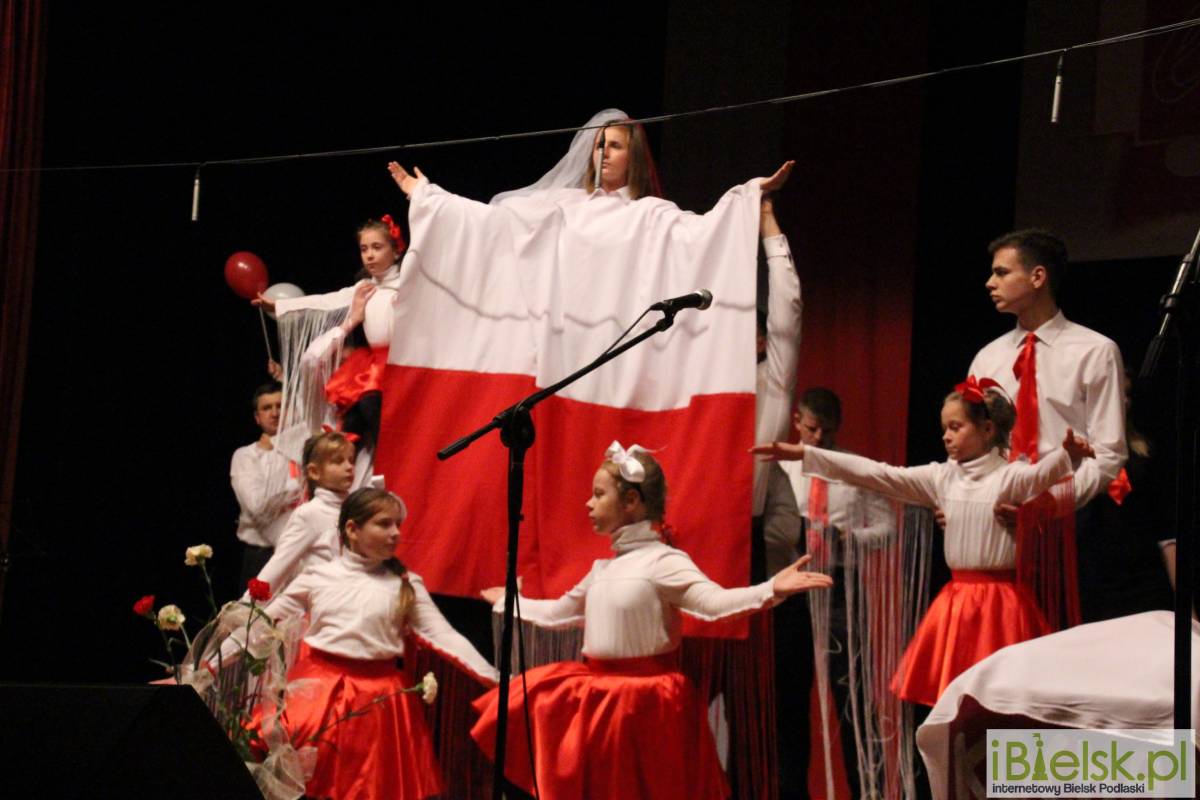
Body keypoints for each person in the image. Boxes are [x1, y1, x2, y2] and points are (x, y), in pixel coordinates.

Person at [470, 442, 833, 799]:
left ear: (631, 501)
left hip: (646, 705)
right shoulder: (602, 569)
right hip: (600, 702)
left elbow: (713, 604)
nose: (589, 503)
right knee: (530, 701)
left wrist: (771, 589)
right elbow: (558, 613)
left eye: (599, 494)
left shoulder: (663, 562)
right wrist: (509, 602)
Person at [754, 377, 1095, 705]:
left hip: (1000, 605)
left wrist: (1068, 456)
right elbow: (879, 473)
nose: (946, 436)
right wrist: (806, 455)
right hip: (958, 604)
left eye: (955, 427)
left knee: (1002, 699)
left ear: (987, 430)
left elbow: (1040, 475)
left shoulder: (1008, 477)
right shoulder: (941, 477)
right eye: (945, 428)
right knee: (954, 701)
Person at [232, 487, 499, 800]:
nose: (395, 533)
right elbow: (260, 624)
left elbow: (446, 637)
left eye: (398, 524)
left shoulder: (404, 584)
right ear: (352, 529)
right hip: (318, 695)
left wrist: (497, 678)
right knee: (308, 784)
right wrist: (210, 663)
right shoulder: (318, 576)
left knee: (372, 787)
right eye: (384, 524)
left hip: (380, 704)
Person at [967, 229, 1126, 626]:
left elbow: (1108, 453)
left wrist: (1049, 505)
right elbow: (973, 445)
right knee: (1004, 635)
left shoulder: (1094, 351)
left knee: (1065, 635)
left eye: (1002, 272)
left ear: (1038, 277)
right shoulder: (988, 357)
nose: (990, 283)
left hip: (1070, 524)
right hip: (1000, 520)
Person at [772, 388, 898, 798]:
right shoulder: (780, 468)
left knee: (852, 697)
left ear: (838, 427)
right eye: (812, 429)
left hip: (842, 585)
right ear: (797, 421)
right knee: (790, 696)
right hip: (792, 588)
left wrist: (848, 538)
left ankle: (868, 792)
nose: (819, 438)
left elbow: (888, 529)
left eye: (827, 430)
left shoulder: (853, 469)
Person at [256, 216, 407, 486]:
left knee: (374, 408)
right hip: (374, 366)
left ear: (396, 250)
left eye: (377, 247)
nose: (369, 255)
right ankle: (343, 476)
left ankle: (391, 466)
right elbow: (325, 301)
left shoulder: (408, 285)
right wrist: (278, 306)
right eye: (364, 249)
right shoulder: (364, 288)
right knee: (353, 419)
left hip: (401, 364)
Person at [247, 429, 355, 600]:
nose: (349, 467)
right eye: (338, 461)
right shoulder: (309, 514)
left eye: (351, 460)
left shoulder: (355, 510)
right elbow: (277, 568)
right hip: (320, 605)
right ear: (314, 472)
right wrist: (246, 610)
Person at [230, 381, 302, 588]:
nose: (275, 413)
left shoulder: (305, 450)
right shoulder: (245, 456)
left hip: (303, 554)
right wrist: (300, 486)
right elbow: (258, 507)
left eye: (281, 406)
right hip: (263, 556)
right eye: (267, 408)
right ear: (257, 417)